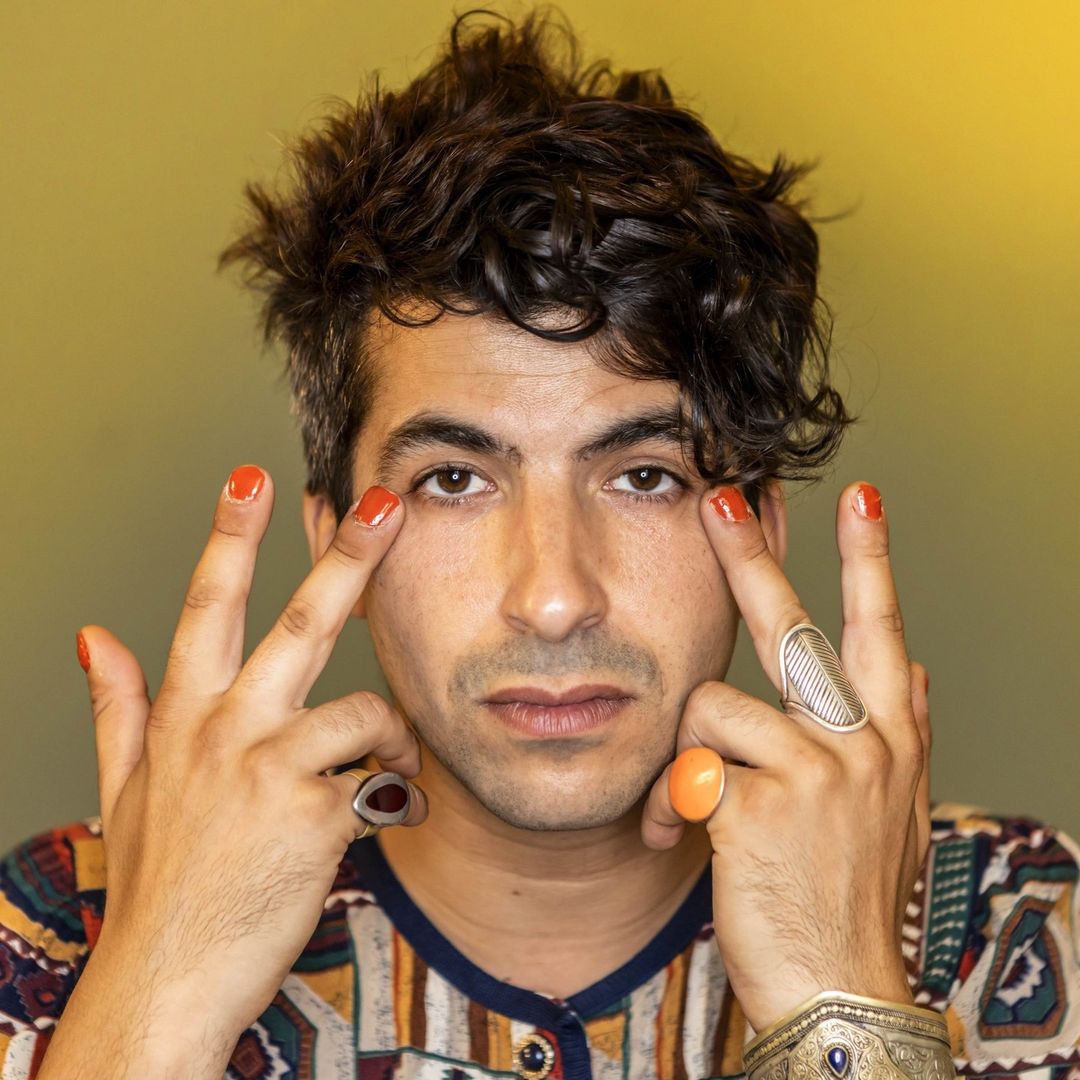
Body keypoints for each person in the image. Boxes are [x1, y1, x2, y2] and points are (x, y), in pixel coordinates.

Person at [2, 10, 1077, 1079]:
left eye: (645, 476)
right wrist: (164, 983)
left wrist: (839, 996)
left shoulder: (1016, 925)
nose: (556, 598)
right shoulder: (59, 927)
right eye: (454, 480)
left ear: (758, 530)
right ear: (336, 548)